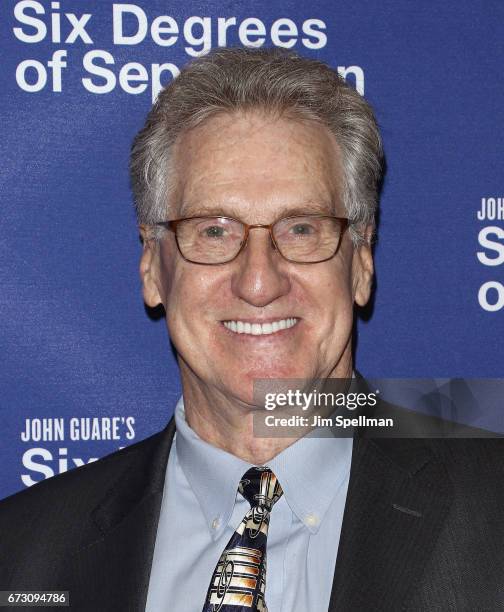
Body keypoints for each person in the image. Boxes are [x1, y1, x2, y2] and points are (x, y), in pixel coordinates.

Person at [0, 47, 503, 612]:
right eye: (214, 231)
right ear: (152, 266)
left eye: (302, 228)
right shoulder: (20, 557)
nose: (259, 282)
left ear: (361, 262)